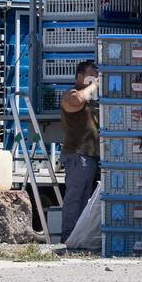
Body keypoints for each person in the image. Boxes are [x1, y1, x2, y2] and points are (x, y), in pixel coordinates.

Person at [59, 60, 100, 244]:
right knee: (74, 199)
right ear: (79, 77)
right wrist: (93, 85)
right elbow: (76, 100)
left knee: (85, 202)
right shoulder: (72, 95)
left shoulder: (92, 100)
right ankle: (68, 236)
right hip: (77, 155)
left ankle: (78, 238)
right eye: (91, 76)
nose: (94, 80)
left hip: (89, 157)